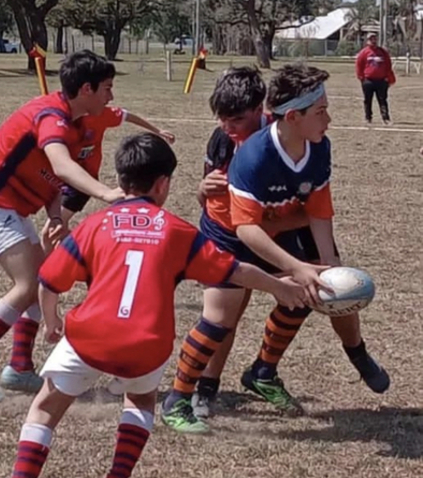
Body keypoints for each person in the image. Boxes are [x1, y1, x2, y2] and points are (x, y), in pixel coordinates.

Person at [3, 132, 308, 478]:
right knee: (141, 400)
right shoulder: (178, 232)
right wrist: (281, 287)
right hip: (147, 342)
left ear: (120, 181)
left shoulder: (93, 226)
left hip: (89, 337)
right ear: (163, 185)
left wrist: (52, 322)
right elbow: (236, 271)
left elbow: (49, 281)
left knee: (45, 408)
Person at [162, 64, 391, 431]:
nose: (226, 127)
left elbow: (317, 209)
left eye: (235, 118)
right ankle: (195, 391)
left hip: (275, 223)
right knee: (223, 315)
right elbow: (241, 225)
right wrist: (202, 191)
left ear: (263, 111)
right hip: (232, 232)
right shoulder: (245, 152)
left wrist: (325, 265)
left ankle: (266, 371)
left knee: (316, 286)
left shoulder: (309, 140)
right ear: (294, 115)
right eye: (322, 111)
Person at [0, 50, 124, 402]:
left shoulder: (74, 122)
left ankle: (19, 368)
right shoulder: (52, 116)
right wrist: (106, 193)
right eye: (107, 87)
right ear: (86, 89)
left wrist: (56, 215)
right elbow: (60, 167)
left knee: (42, 281)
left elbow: (52, 181)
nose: (111, 96)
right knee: (28, 285)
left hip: (12, 208)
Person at [40, 107, 175, 248]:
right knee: (56, 231)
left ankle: (53, 262)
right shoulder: (59, 120)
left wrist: (157, 131)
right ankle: (73, 252)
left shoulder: (100, 113)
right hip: (64, 179)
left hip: (84, 182)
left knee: (49, 232)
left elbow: (128, 116)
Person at [356, 33, 396, 125]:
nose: (373, 41)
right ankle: (368, 118)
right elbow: (359, 65)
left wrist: (389, 78)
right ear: (367, 41)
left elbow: (388, 65)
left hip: (381, 81)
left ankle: (385, 118)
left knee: (382, 100)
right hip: (368, 80)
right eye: (371, 39)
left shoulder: (382, 52)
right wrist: (362, 78)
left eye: (374, 39)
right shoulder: (364, 52)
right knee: (367, 100)